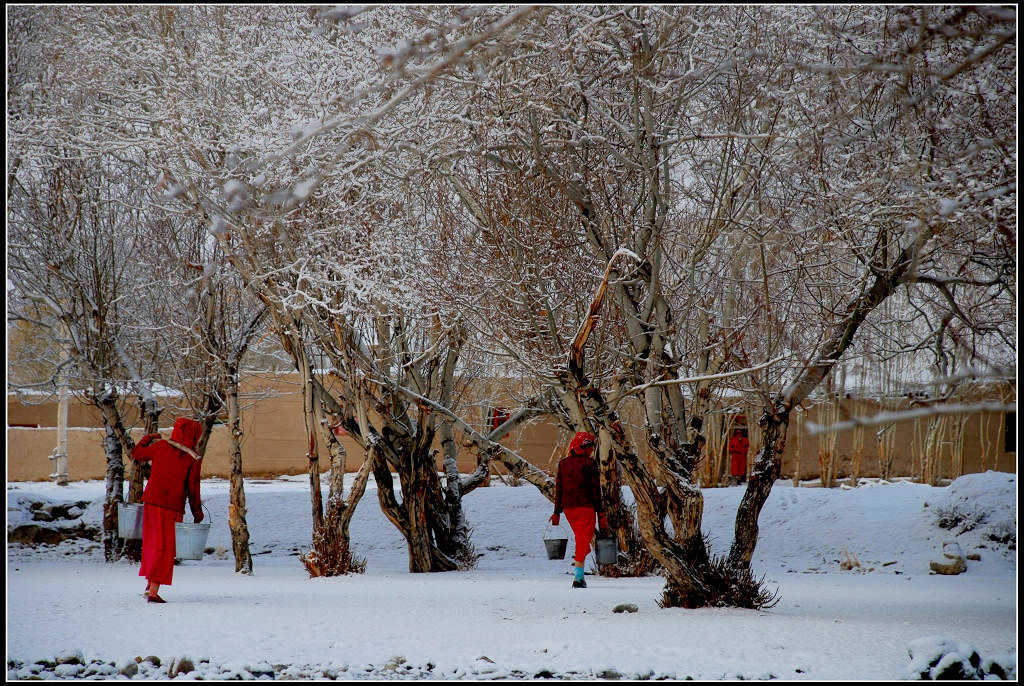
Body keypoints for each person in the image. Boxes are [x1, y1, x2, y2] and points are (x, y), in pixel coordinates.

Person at [131, 416, 205, 603]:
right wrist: (197, 512)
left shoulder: (161, 446)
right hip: (172, 507)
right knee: (165, 549)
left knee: (152, 544)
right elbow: (193, 488)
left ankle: (149, 587)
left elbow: (137, 454)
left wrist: (148, 438)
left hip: (151, 503)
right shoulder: (192, 458)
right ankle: (153, 591)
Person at [550, 431, 608, 589]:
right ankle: (578, 576)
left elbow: (559, 489)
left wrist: (557, 512)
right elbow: (596, 490)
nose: (590, 450)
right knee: (583, 539)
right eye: (589, 447)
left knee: (581, 538)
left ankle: (579, 573)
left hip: (569, 509)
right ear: (583, 446)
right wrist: (600, 512)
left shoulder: (563, 464)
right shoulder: (590, 464)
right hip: (586, 507)